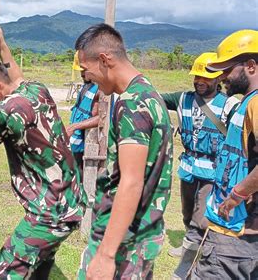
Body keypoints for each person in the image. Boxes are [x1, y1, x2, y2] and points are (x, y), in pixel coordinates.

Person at [0, 24, 86, 279]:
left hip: (49, 212)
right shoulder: (35, 89)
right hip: (70, 201)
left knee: (5, 271)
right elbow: (14, 73)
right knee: (38, 266)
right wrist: (1, 42)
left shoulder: (5, 112)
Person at [75, 23, 173, 279]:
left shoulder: (132, 105)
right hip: (140, 233)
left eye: (86, 70)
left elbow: (130, 182)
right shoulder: (148, 94)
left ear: (105, 60)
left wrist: (106, 255)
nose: (86, 78)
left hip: (122, 242)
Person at [161, 52, 239, 279]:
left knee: (200, 217)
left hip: (213, 169)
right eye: (197, 77)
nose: (200, 82)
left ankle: (187, 265)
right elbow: (154, 97)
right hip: (188, 167)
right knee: (187, 212)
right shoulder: (183, 98)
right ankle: (189, 244)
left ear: (217, 79)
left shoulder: (229, 105)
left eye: (205, 77)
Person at [192, 30, 258, 279]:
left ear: (250, 66)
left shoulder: (256, 103)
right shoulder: (248, 101)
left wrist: (236, 196)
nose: (222, 77)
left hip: (238, 231)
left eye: (228, 69)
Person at [66, 51, 100, 176]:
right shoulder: (87, 85)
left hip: (86, 145)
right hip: (75, 142)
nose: (81, 73)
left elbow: (102, 118)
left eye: (83, 70)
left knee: (83, 177)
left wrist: (75, 126)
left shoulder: (101, 90)